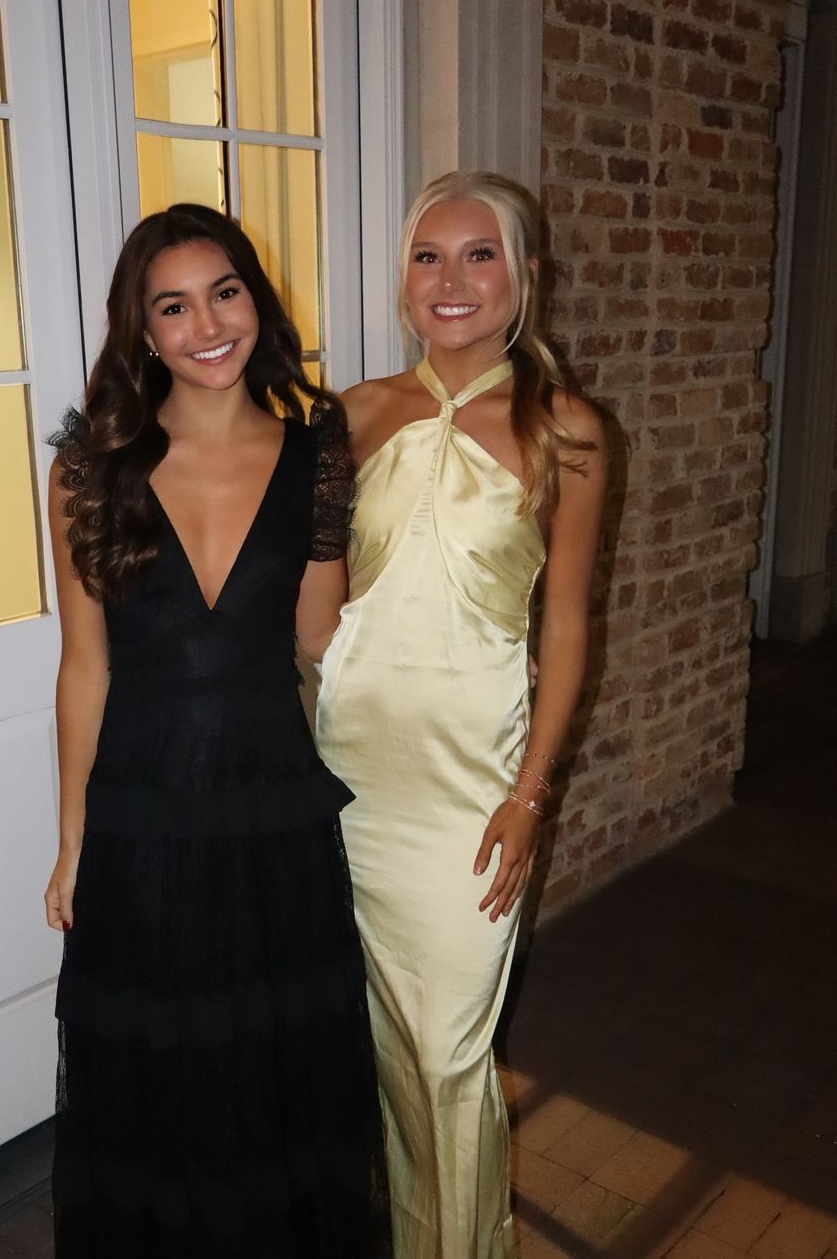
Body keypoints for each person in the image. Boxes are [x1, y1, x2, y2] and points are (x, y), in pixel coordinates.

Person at [44, 203, 390, 1257]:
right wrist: (71, 839)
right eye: (174, 306)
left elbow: (324, 640)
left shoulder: (316, 456)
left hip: (270, 809)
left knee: (269, 1067)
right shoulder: (87, 468)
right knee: (157, 1070)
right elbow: (85, 665)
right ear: (143, 332)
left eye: (224, 292)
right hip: (140, 813)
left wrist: (458, 676)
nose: (206, 325)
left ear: (256, 300)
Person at [316, 171, 607, 1259]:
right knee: (376, 1051)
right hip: (350, 775)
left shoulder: (569, 432)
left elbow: (566, 628)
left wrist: (531, 796)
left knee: (448, 1056)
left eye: (478, 254)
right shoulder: (350, 416)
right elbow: (311, 609)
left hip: (473, 787)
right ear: (404, 279)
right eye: (428, 256)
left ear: (523, 275)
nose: (451, 279)